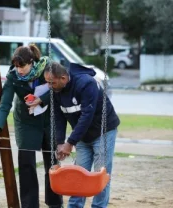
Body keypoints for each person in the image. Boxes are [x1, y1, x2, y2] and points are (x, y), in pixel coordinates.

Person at [0, 44, 63, 208]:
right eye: (16, 66)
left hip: (48, 119)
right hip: (26, 122)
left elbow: (57, 89)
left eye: (22, 66)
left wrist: (41, 99)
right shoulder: (13, 77)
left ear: (32, 62)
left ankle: (55, 203)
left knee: (52, 162)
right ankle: (30, 205)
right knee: (26, 163)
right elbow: (4, 104)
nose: (19, 70)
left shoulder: (48, 68)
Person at [43, 62, 120, 208]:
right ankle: (75, 206)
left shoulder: (86, 83)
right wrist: (60, 142)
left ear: (64, 78)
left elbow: (87, 115)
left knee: (100, 173)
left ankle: (98, 206)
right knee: (78, 173)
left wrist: (70, 142)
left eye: (51, 82)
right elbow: (58, 117)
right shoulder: (55, 90)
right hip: (82, 134)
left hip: (104, 130)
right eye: (47, 82)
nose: (49, 86)